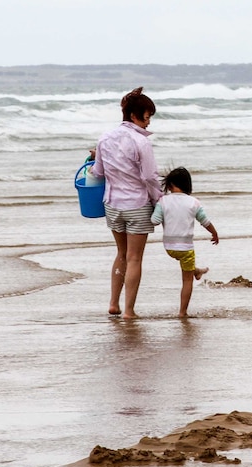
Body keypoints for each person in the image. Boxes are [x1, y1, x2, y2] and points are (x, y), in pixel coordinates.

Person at [91, 87, 163, 319]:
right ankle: (129, 310)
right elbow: (150, 177)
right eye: (146, 115)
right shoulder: (141, 142)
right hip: (137, 205)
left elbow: (97, 172)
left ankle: (114, 303)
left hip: (112, 205)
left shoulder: (104, 137)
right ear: (134, 115)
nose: (148, 121)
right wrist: (160, 200)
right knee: (134, 258)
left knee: (121, 254)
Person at [151, 167, 219, 318]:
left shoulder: (163, 201)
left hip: (169, 248)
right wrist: (214, 233)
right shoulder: (193, 202)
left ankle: (197, 271)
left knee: (186, 267)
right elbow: (205, 221)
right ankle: (182, 312)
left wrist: (154, 208)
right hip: (186, 248)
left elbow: (154, 221)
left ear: (169, 185)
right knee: (187, 280)